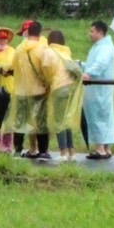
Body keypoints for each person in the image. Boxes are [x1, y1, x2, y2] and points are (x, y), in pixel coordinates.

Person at [9, 20, 51, 160]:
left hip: (21, 91)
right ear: (39, 33)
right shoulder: (42, 49)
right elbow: (46, 69)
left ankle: (17, 150)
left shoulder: (20, 48)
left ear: (27, 32)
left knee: (20, 121)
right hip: (39, 91)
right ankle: (43, 151)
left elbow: (12, 66)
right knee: (40, 122)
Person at [41, 30, 85, 161]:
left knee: (59, 121)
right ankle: (72, 152)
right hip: (71, 87)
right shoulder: (66, 52)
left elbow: (46, 69)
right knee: (66, 121)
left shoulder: (49, 52)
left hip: (59, 87)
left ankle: (63, 153)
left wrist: (48, 82)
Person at [81, 21, 114, 160]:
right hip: (100, 89)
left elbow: (100, 64)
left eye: (92, 31)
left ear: (100, 32)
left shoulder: (105, 48)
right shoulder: (101, 47)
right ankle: (106, 147)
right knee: (105, 116)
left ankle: (100, 148)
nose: (90, 34)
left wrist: (88, 73)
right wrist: (82, 65)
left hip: (98, 89)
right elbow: (94, 64)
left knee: (98, 117)